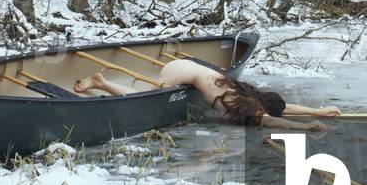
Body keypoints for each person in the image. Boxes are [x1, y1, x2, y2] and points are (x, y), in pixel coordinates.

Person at [74, 57, 341, 130]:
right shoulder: (245, 105)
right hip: (181, 72)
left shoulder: (244, 93)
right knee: (142, 95)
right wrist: (305, 127)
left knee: (148, 90)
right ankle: (101, 83)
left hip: (186, 67)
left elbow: (283, 108)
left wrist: (318, 111)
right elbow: (273, 119)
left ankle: (102, 83)